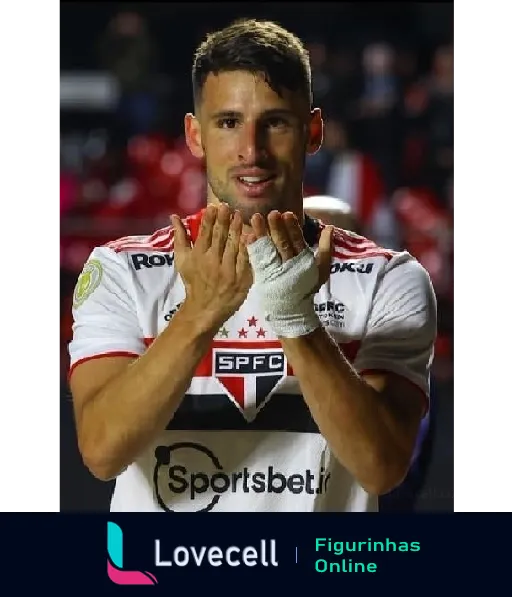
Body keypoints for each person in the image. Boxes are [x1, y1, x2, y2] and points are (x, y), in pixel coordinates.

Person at [68, 19, 437, 513]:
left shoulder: (389, 279)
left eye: (276, 122)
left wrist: (296, 319)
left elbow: (382, 466)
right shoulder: (121, 270)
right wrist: (201, 312)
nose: (252, 151)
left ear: (313, 131)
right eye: (228, 123)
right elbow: (102, 451)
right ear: (194, 135)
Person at [303, 195, 436, 511]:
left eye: (335, 236)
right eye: (309, 235)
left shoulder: (398, 328)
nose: (322, 249)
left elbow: (396, 466)